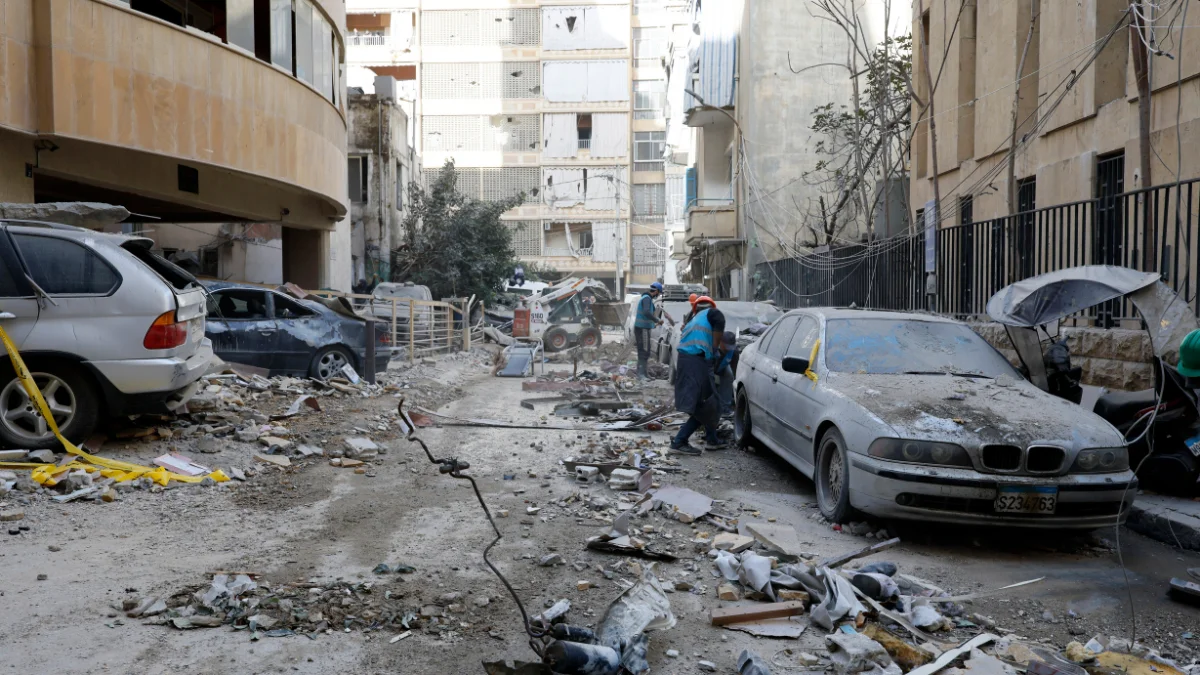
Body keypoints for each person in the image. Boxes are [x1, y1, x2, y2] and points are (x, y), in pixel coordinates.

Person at [670, 296, 726, 455]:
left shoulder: (694, 321)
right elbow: (716, 339)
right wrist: (715, 352)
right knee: (704, 406)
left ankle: (712, 439)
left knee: (707, 401)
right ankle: (679, 441)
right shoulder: (715, 314)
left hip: (687, 361)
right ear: (712, 306)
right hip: (696, 362)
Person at [633, 282, 664, 379]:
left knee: (644, 351)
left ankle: (644, 374)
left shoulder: (646, 298)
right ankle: (641, 375)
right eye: (659, 293)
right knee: (644, 352)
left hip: (642, 328)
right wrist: (657, 320)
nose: (658, 295)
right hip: (643, 329)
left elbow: (645, 315)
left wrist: (653, 324)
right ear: (657, 291)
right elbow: (646, 312)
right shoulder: (647, 299)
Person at [715, 331, 737, 418]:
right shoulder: (712, 348)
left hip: (721, 367)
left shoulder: (733, 351)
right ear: (721, 342)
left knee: (729, 374)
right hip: (709, 367)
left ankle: (725, 407)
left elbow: (734, 369)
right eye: (726, 346)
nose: (728, 349)